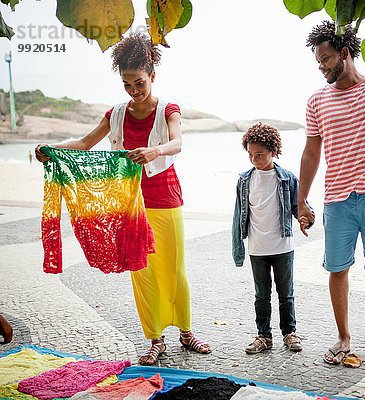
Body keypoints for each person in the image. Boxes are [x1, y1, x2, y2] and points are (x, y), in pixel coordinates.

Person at [35, 33, 211, 365]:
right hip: (128, 204)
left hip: (165, 199)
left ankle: (186, 332)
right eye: (127, 84)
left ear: (152, 76)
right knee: (141, 272)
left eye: (139, 83)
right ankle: (156, 339)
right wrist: (52, 150)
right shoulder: (116, 113)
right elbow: (86, 143)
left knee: (173, 270)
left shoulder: (168, 109)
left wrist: (154, 150)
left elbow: (177, 143)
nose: (133, 90)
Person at [298, 21, 365, 368]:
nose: (322, 67)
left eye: (327, 58)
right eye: (318, 61)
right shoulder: (316, 100)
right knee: (338, 269)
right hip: (337, 200)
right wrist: (301, 199)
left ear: (345, 54)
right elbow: (311, 152)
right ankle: (344, 337)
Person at [232, 123, 310, 354]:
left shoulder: (286, 178)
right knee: (261, 296)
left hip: (283, 245)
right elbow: (238, 214)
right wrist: (237, 244)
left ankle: (289, 333)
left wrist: (307, 219)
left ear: (274, 151)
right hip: (257, 248)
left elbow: (300, 206)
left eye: (260, 154)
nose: (254, 159)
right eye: (250, 154)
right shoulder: (244, 180)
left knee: (286, 293)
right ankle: (264, 336)